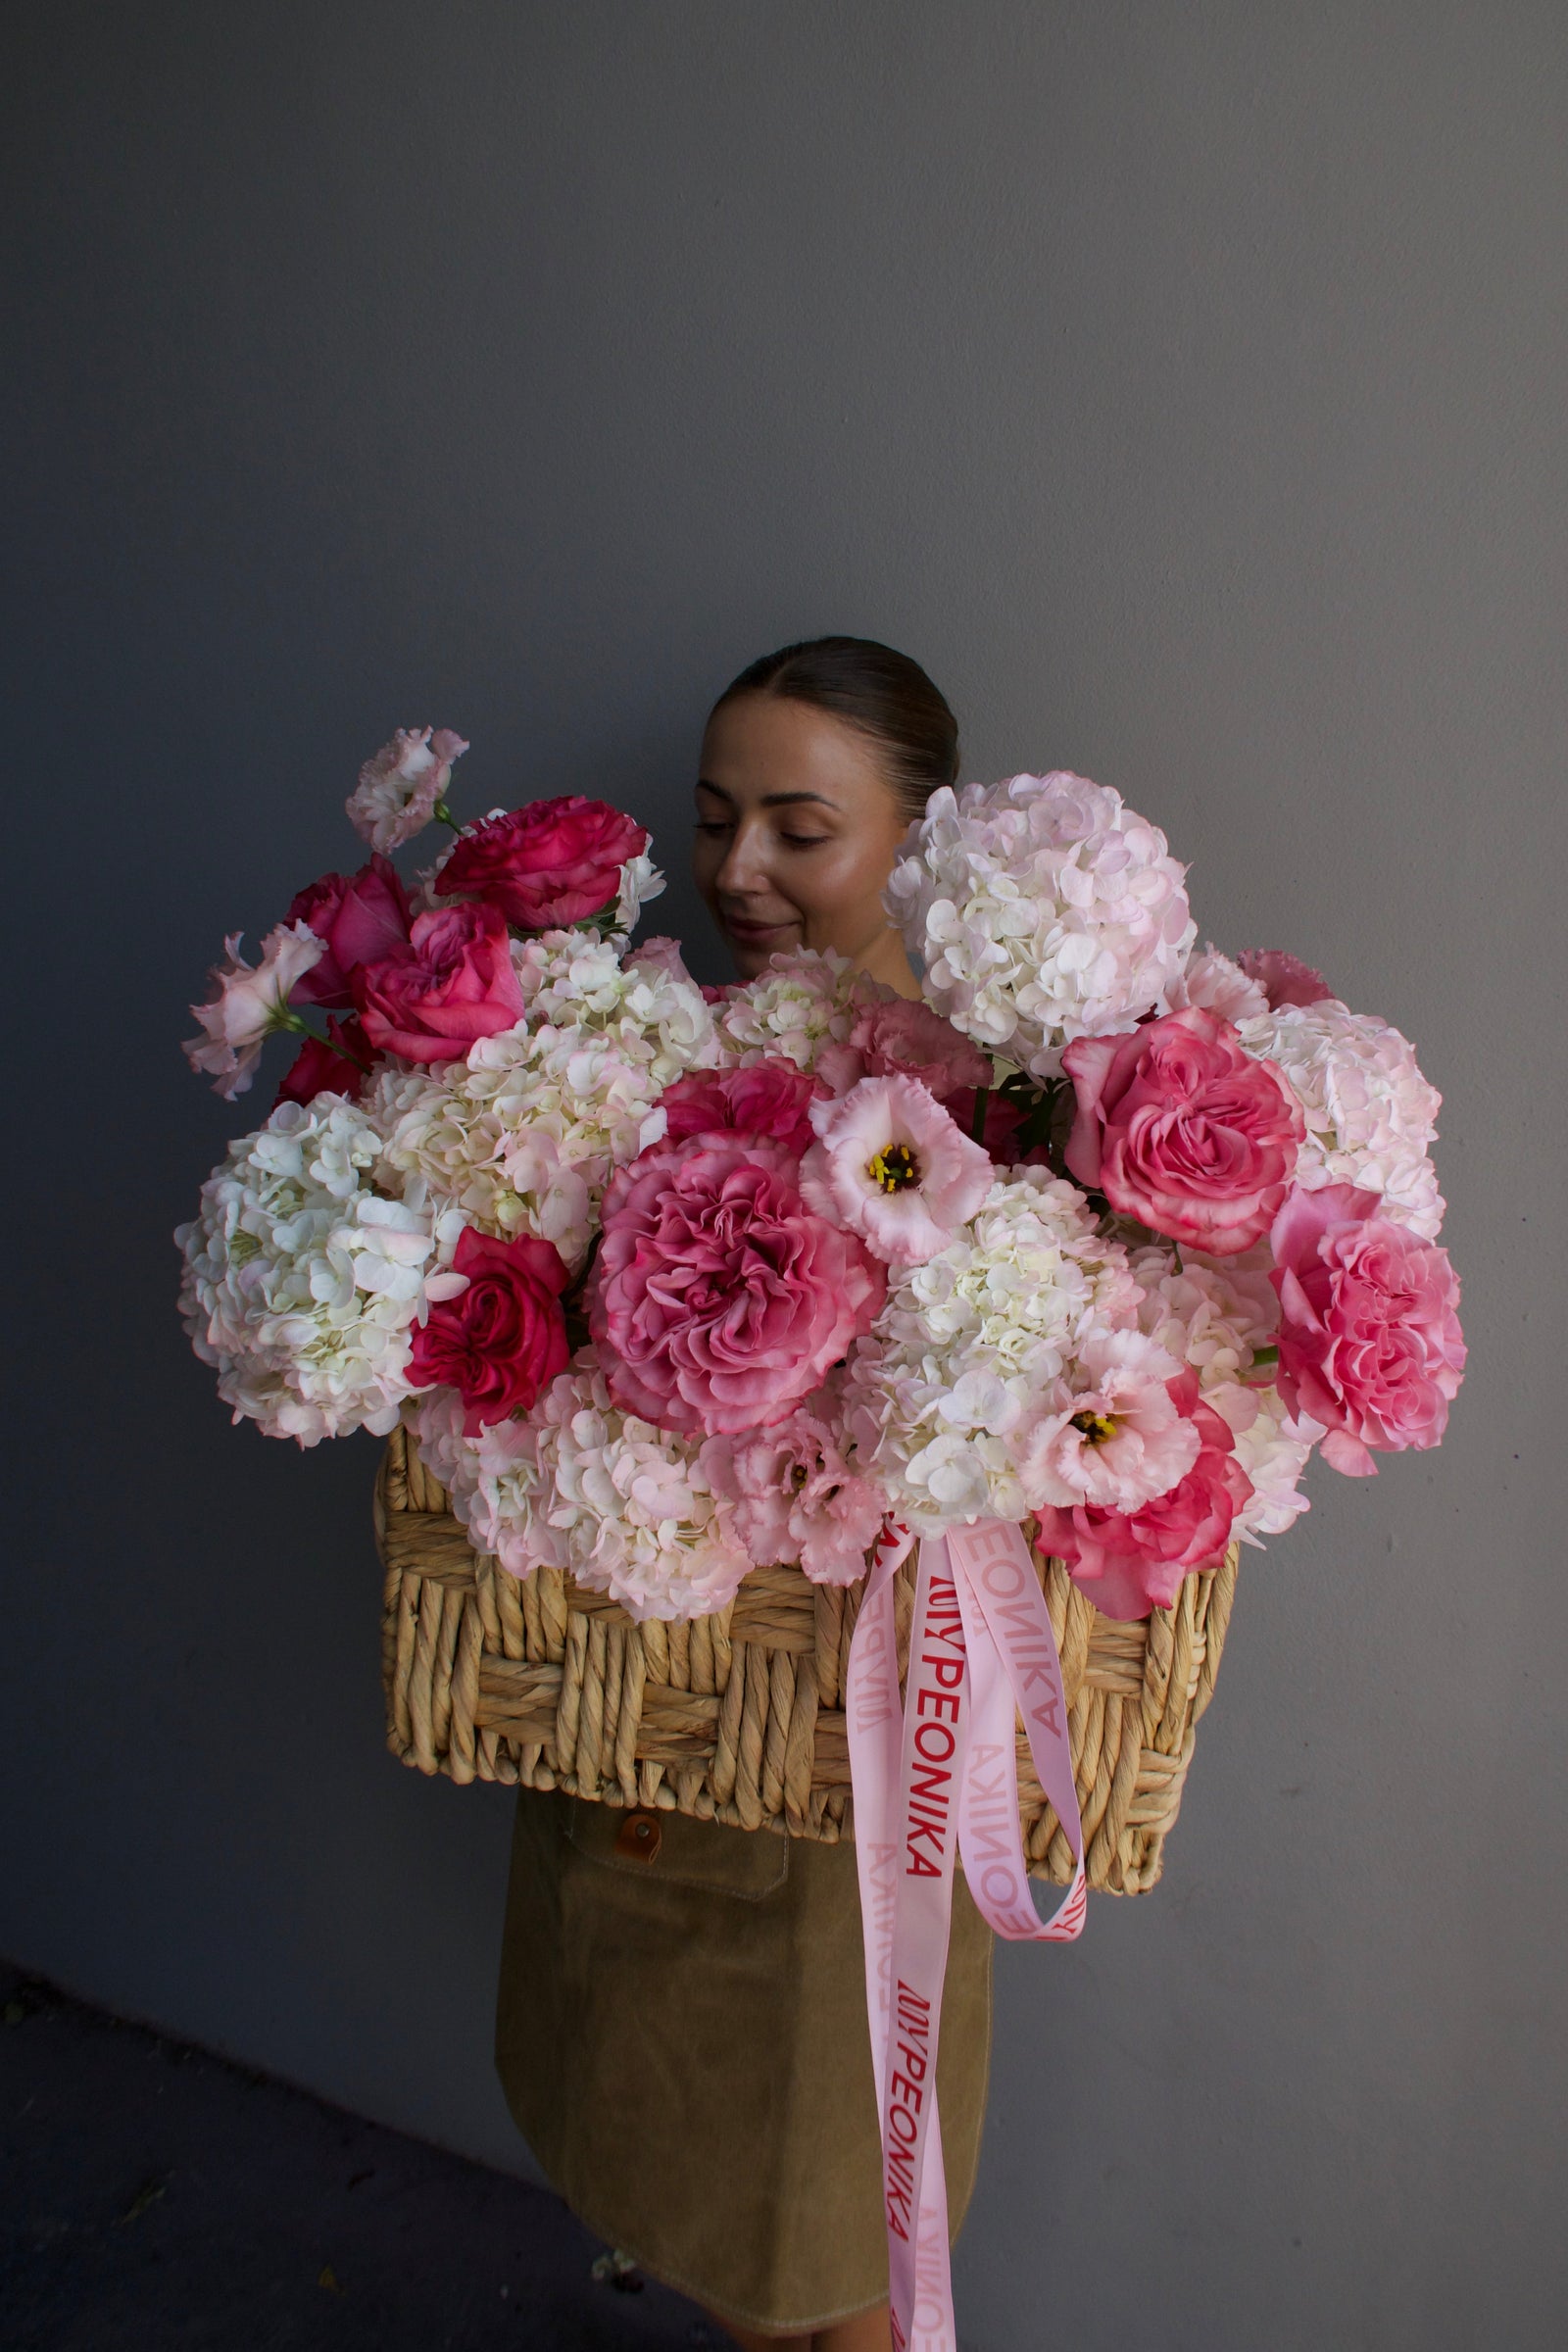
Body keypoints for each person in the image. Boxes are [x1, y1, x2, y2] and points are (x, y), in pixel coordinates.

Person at [494, 638, 993, 2352]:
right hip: (661, 1729)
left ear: (920, 844)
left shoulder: (985, 1120)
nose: (738, 871)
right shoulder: (657, 1060)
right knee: (711, 2196)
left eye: (801, 828)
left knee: (838, 2243)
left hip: (850, 1775)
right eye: (715, 822)